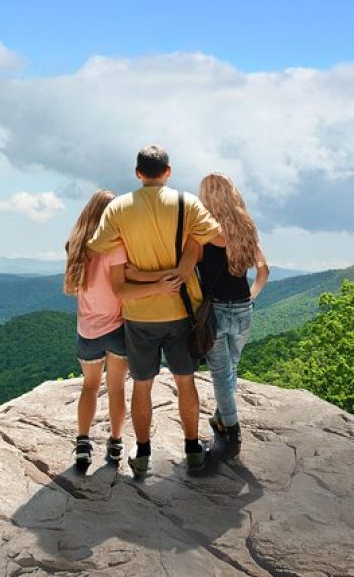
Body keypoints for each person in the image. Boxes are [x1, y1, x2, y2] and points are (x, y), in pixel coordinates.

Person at [87, 145, 223, 478]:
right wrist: (189, 246)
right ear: (168, 171)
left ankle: (143, 453)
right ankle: (192, 449)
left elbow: (97, 246)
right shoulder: (186, 203)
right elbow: (217, 237)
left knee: (143, 385)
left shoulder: (118, 208)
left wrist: (133, 268)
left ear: (137, 173)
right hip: (181, 311)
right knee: (185, 381)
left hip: (139, 314)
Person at [64, 189, 182, 470]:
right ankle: (115, 443)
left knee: (89, 387)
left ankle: (82, 443)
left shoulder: (74, 246)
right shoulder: (114, 247)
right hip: (117, 328)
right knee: (116, 389)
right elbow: (126, 284)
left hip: (87, 330)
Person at [197, 172, 270, 459]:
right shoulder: (246, 227)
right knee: (230, 372)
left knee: (220, 374)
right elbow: (264, 269)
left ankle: (232, 431)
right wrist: (251, 296)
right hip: (243, 309)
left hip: (215, 311)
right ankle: (220, 419)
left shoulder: (202, 231)